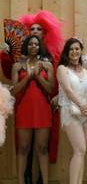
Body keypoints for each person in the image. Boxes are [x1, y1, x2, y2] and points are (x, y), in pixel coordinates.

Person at [11, 35, 55, 184]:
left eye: (36, 44)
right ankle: (20, 181)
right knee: (23, 147)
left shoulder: (47, 66)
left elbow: (50, 89)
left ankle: (46, 181)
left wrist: (38, 76)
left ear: (40, 46)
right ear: (26, 46)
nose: (33, 47)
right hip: (24, 109)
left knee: (42, 148)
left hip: (43, 110)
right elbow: (14, 91)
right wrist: (27, 77)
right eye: (30, 44)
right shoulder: (17, 66)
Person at [57, 38, 87, 184]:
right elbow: (67, 90)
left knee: (82, 152)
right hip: (70, 110)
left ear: (81, 51)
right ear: (67, 52)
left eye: (77, 49)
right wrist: (81, 105)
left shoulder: (86, 72)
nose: (74, 52)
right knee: (79, 149)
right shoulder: (62, 69)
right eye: (71, 49)